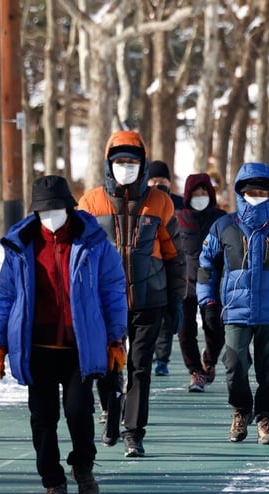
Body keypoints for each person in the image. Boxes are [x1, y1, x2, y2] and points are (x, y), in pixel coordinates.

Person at [0, 175, 127, 494]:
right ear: (35, 212)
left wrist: (115, 338)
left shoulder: (93, 242)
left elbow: (113, 291)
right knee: (43, 417)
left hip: (80, 346)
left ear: (69, 206)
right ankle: (52, 482)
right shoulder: (21, 246)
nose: (51, 215)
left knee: (79, 412)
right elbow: (7, 296)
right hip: (37, 346)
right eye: (44, 209)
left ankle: (83, 466)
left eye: (57, 208)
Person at [77, 130, 184, 458]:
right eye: (120, 162)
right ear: (109, 164)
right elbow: (77, 256)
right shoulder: (90, 202)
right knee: (108, 364)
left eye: (132, 162)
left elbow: (174, 254)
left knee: (140, 367)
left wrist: (177, 299)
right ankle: (110, 409)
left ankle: (133, 431)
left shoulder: (160, 202)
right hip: (104, 302)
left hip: (149, 299)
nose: (127, 167)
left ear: (143, 164)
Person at [197, 163, 269, 445]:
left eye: (262, 191)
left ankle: (266, 419)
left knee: (267, 370)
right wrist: (207, 302)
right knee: (234, 364)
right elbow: (206, 267)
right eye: (251, 192)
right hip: (234, 310)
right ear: (240, 193)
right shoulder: (223, 226)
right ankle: (241, 410)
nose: (256, 196)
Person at [175, 172, 227, 393]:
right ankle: (196, 372)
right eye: (196, 192)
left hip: (213, 282)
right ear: (187, 195)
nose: (200, 196)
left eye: (204, 191)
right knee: (185, 330)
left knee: (216, 328)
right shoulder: (177, 218)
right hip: (185, 282)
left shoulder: (221, 218)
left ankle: (210, 359)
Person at [148, 159, 184, 377]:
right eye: (153, 180)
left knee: (167, 316)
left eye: (162, 180)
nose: (158, 184)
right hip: (148, 264)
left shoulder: (179, 204)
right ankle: (147, 353)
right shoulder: (144, 202)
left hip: (170, 263)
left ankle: (162, 358)